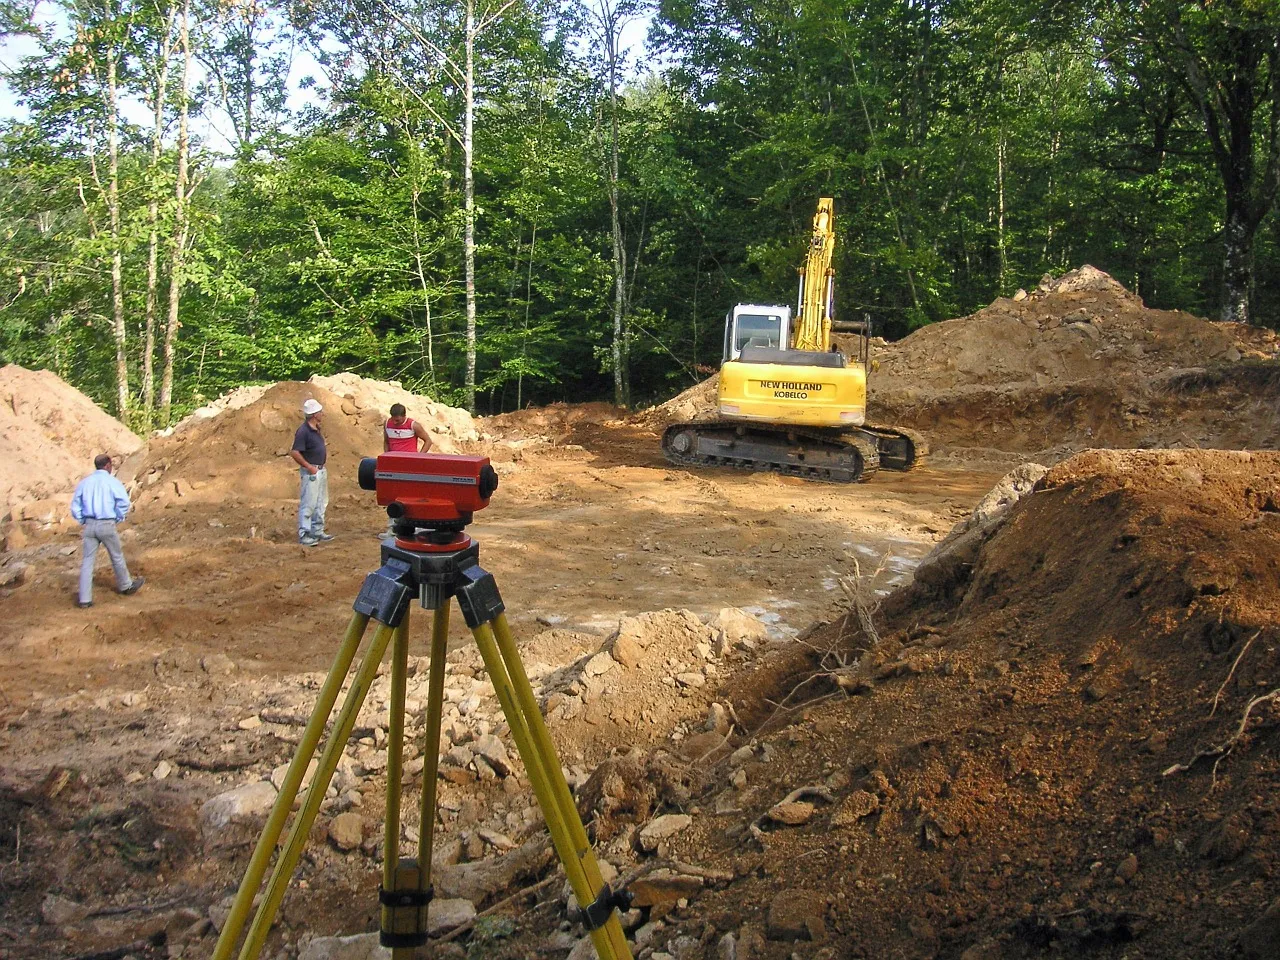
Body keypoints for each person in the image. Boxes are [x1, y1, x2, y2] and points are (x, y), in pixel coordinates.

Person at [70, 454, 144, 608]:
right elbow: (124, 502)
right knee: (116, 556)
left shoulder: (85, 483)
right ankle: (125, 585)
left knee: (87, 561)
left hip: (89, 524)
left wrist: (83, 520)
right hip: (106, 523)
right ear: (108, 465)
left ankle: (85, 599)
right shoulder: (112, 482)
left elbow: (75, 506)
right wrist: (117, 516)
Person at [380, 403, 434, 538]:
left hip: (410, 466)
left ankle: (417, 526)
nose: (395, 422)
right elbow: (386, 441)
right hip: (393, 465)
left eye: (398, 420)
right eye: (393, 419)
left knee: (413, 496)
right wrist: (387, 456)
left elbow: (428, 441)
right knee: (392, 497)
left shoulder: (413, 425)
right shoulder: (387, 424)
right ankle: (393, 528)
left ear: (404, 416)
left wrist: (419, 458)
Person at [290, 398, 333, 546]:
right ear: (314, 414)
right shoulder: (303, 431)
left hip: (320, 470)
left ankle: (317, 530)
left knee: (321, 502)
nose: (322, 414)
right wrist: (309, 467)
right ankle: (305, 534)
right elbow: (295, 452)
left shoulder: (316, 429)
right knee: (309, 503)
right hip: (312, 472)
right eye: (320, 412)